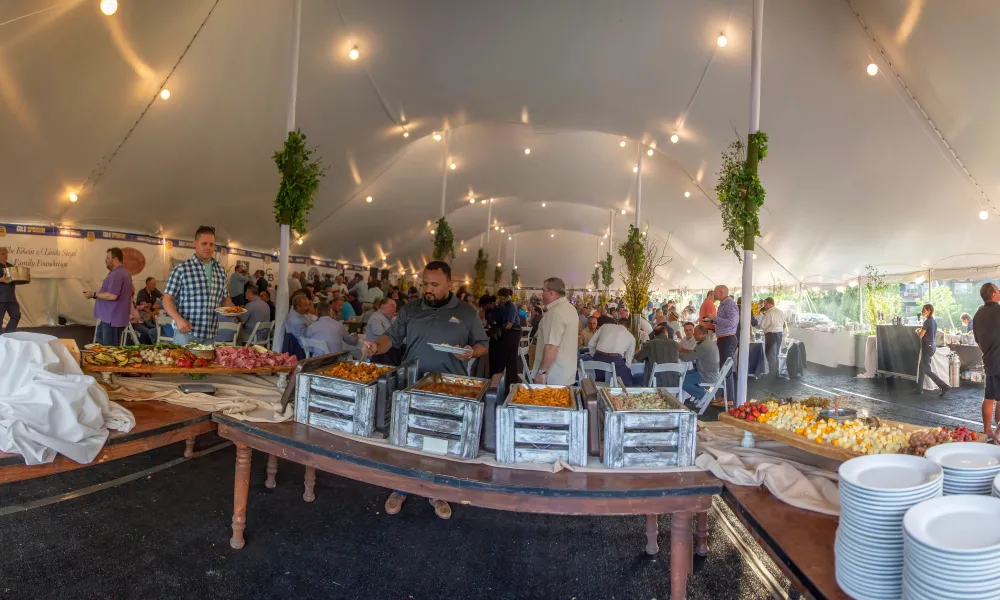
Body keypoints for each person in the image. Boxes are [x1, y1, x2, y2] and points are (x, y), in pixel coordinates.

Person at [362, 261, 488, 520]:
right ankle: (400, 487)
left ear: (449, 284)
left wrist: (471, 352)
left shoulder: (466, 312)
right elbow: (391, 339)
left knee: (439, 439)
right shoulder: (411, 309)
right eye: (424, 284)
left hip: (449, 387)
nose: (427, 289)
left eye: (434, 284)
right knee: (406, 438)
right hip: (412, 384)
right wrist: (376, 347)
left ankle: (437, 490)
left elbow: (482, 344)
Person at [163, 226, 231, 345]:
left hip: (210, 334)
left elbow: (226, 300)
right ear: (195, 244)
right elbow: (167, 300)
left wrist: (232, 311)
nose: (208, 247)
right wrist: (178, 320)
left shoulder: (221, 271)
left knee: (207, 364)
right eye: (204, 243)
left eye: (211, 244)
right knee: (183, 363)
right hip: (186, 333)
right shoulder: (182, 269)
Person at [532, 277, 580, 386]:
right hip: (566, 375)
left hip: (553, 378)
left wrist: (541, 372)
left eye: (543, 290)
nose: (542, 294)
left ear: (551, 293)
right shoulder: (570, 308)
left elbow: (551, 347)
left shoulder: (555, 313)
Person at [84, 247, 134, 346]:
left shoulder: (117, 274)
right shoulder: (124, 273)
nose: (105, 260)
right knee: (102, 342)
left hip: (112, 319)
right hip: (110, 318)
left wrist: (93, 294)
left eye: (108, 257)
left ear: (115, 259)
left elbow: (112, 296)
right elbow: (132, 290)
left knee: (109, 349)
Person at [974, 284, 1000, 442]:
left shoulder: (978, 314)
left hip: (989, 360)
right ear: (994, 295)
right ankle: (998, 431)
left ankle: (987, 431)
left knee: (989, 396)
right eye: (998, 289)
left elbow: (979, 343)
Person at [587, 315, 637, 385]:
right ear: (628, 328)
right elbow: (628, 361)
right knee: (628, 382)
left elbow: (591, 344)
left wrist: (595, 356)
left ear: (617, 323)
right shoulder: (631, 337)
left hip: (598, 358)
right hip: (616, 360)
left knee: (600, 377)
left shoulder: (604, 326)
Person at [489, 288, 521, 393]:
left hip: (513, 332)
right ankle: (500, 380)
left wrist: (499, 328)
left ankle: (512, 384)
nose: (501, 301)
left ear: (508, 298)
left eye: (503, 299)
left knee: (511, 358)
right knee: (502, 356)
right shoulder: (501, 306)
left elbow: (509, 325)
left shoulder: (511, 306)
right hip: (506, 332)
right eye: (500, 299)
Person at [679, 325, 721, 403]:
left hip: (707, 374)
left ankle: (704, 395)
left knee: (682, 381)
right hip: (703, 370)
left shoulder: (704, 345)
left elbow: (686, 358)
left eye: (694, 333)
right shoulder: (706, 342)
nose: (693, 335)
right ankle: (699, 394)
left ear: (699, 333)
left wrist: (675, 352)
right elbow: (693, 353)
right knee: (681, 375)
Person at [916, 303, 951, 397]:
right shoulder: (933, 321)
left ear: (929, 310)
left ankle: (944, 386)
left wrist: (918, 331)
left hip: (927, 347)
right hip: (931, 346)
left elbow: (921, 335)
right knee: (922, 368)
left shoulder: (927, 321)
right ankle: (919, 389)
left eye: (924, 309)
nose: (922, 311)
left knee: (926, 369)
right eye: (922, 309)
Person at [711, 285, 738, 403]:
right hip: (723, 339)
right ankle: (724, 397)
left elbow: (732, 322)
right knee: (723, 370)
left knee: (726, 370)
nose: (713, 293)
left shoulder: (730, 304)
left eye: (715, 291)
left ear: (721, 292)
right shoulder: (723, 304)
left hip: (727, 339)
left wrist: (715, 319)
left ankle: (729, 399)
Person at [365, 297, 400, 364]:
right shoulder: (376, 317)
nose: (394, 309)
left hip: (386, 353)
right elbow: (381, 333)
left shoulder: (387, 319)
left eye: (395, 307)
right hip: (379, 355)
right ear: (383, 305)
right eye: (392, 306)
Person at [759, 297, 786, 379]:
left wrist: (759, 324)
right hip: (779, 334)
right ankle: (776, 372)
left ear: (768, 303)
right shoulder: (781, 312)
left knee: (770, 354)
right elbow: (783, 323)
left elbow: (763, 325)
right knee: (776, 354)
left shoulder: (769, 313)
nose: (765, 305)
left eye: (765, 304)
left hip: (771, 335)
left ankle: (772, 373)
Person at [0, 247, 19, 333]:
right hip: (1, 297)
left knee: (16, 315)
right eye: (3, 254)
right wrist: (1, 280)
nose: (5, 256)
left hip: (11, 297)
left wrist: (24, 279)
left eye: (6, 254)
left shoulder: (11, 267)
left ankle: (8, 335)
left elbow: (16, 279)